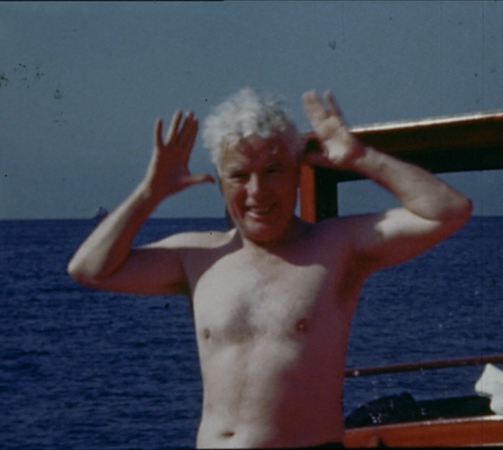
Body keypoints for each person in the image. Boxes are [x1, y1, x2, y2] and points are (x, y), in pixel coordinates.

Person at [67, 88, 473, 448]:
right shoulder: (196, 255)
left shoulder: (337, 246)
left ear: (297, 172)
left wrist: (361, 157)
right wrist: (150, 191)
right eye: (240, 176)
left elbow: (449, 211)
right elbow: (89, 270)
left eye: (272, 171)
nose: (257, 191)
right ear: (221, 183)